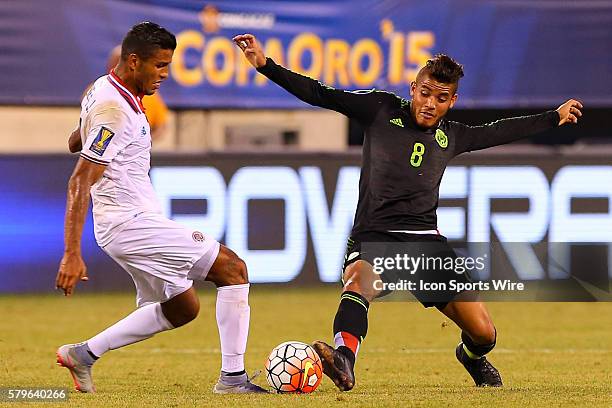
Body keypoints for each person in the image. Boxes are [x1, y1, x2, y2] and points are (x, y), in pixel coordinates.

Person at [233, 33, 583, 391]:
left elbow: (500, 131)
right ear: (413, 88)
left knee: (484, 333)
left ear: (452, 101)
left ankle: (471, 357)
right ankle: (343, 360)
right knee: (358, 282)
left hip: (425, 246)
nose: (431, 103)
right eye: (426, 93)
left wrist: (552, 117)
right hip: (374, 237)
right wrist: (266, 66)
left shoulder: (453, 136)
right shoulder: (380, 109)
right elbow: (322, 93)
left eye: (442, 98)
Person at [55, 22, 267, 394]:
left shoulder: (100, 88)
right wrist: (72, 254)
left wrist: (90, 135)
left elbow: (76, 139)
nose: (164, 75)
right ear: (133, 61)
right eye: (159, 66)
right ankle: (233, 379)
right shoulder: (113, 109)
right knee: (233, 269)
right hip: (129, 223)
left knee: (183, 308)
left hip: (129, 221)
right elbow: (79, 180)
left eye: (168, 65)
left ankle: (84, 354)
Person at [106, 45, 170, 141]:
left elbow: (161, 125)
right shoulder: (100, 89)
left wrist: (144, 143)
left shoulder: (149, 93)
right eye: (116, 63)